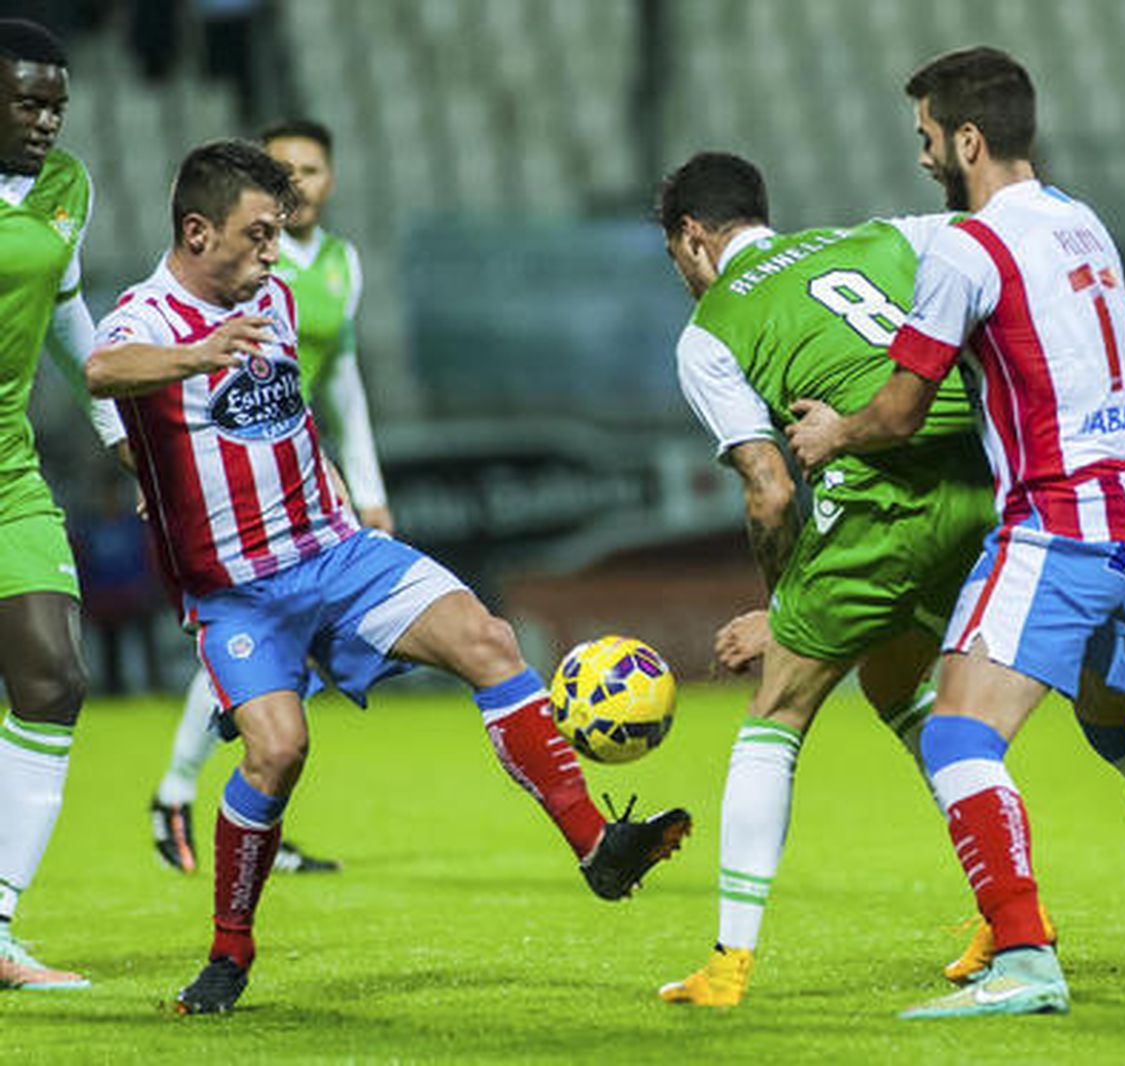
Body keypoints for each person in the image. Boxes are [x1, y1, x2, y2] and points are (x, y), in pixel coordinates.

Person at [85, 139, 691, 1015]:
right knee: (278, 749)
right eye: (257, 234)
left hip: (337, 552)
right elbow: (103, 372)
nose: (272, 251)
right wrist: (198, 354)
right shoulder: (144, 320)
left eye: (279, 233)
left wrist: (334, 479)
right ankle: (228, 952)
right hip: (237, 588)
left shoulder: (279, 297)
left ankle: (597, 847)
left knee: (489, 639)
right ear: (195, 230)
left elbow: (284, 412)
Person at [787, 47, 1125, 1019]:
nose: (924, 158)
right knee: (1121, 727)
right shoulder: (1080, 222)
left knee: (956, 736)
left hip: (1061, 523)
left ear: (966, 140)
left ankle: (1023, 957)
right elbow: (1076, 320)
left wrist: (830, 431)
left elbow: (899, 412)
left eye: (927, 140)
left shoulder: (965, 248)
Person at [652, 152, 1125, 1008]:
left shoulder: (708, 332)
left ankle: (729, 963)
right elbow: (1022, 268)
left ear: (691, 239)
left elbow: (770, 490)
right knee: (901, 683)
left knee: (778, 715)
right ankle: (1010, 916)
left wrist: (782, 606)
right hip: (985, 489)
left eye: (676, 258)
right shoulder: (887, 238)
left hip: (880, 504)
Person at [149, 118, 385, 877]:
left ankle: (237, 812)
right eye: (284, 170)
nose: (299, 183)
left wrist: (365, 485)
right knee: (244, 640)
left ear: (331, 179)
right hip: (220, 467)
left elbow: (343, 380)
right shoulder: (240, 266)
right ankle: (178, 795)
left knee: (280, 653)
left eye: (311, 169)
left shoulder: (341, 266)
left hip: (298, 472)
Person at [0, 17, 124, 992]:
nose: (46, 121)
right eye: (26, 100)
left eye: (56, 105)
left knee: (52, 677)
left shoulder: (64, 187)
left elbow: (71, 319)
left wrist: (123, 438)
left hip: (8, 470)